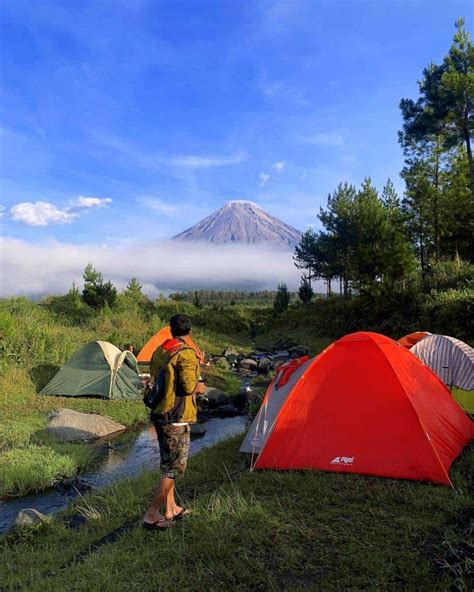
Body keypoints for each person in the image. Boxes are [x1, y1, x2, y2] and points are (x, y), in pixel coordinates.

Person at [143, 314, 205, 529]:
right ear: (190, 332)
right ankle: (152, 513)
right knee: (174, 467)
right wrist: (200, 386)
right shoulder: (186, 353)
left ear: (171, 330)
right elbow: (188, 387)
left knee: (167, 463)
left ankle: (171, 508)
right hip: (176, 415)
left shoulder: (162, 349)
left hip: (161, 412)